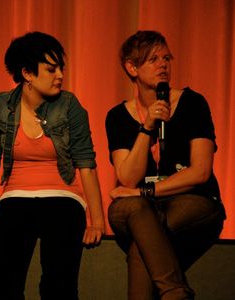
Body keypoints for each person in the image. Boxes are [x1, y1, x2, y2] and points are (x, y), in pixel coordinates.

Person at [0, 31, 105, 300]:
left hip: (62, 195)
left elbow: (86, 164)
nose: (59, 75)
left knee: (59, 280)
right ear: (27, 73)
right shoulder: (1, 106)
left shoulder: (70, 106)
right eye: (51, 69)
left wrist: (97, 220)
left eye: (61, 68)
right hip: (15, 197)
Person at [105, 30, 226, 300]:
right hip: (139, 207)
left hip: (190, 199)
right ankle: (176, 293)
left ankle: (174, 293)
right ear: (131, 67)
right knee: (138, 213)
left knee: (143, 243)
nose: (163, 65)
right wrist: (146, 127)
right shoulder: (117, 116)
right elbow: (127, 178)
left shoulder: (193, 103)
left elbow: (200, 172)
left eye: (166, 58)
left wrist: (143, 192)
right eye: (153, 60)